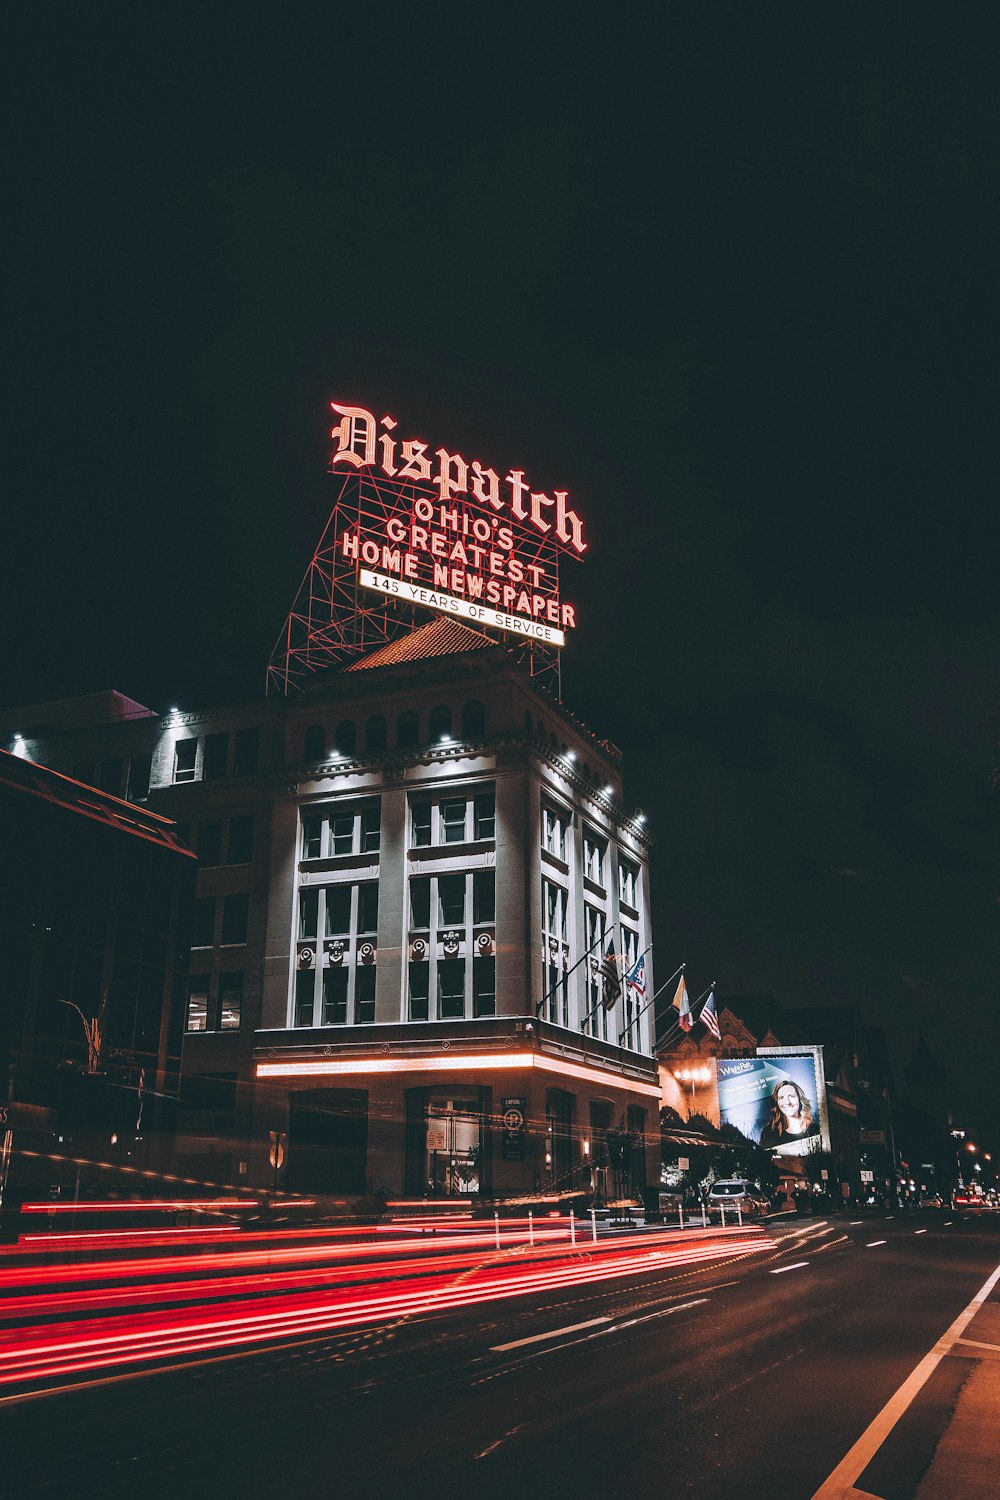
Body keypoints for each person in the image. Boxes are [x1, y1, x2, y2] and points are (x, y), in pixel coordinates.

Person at [759, 1080, 817, 1149]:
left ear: (799, 1098)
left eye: (792, 1096)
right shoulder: (769, 1134)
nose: (787, 1102)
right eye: (781, 1098)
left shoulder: (815, 1130)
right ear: (777, 1102)